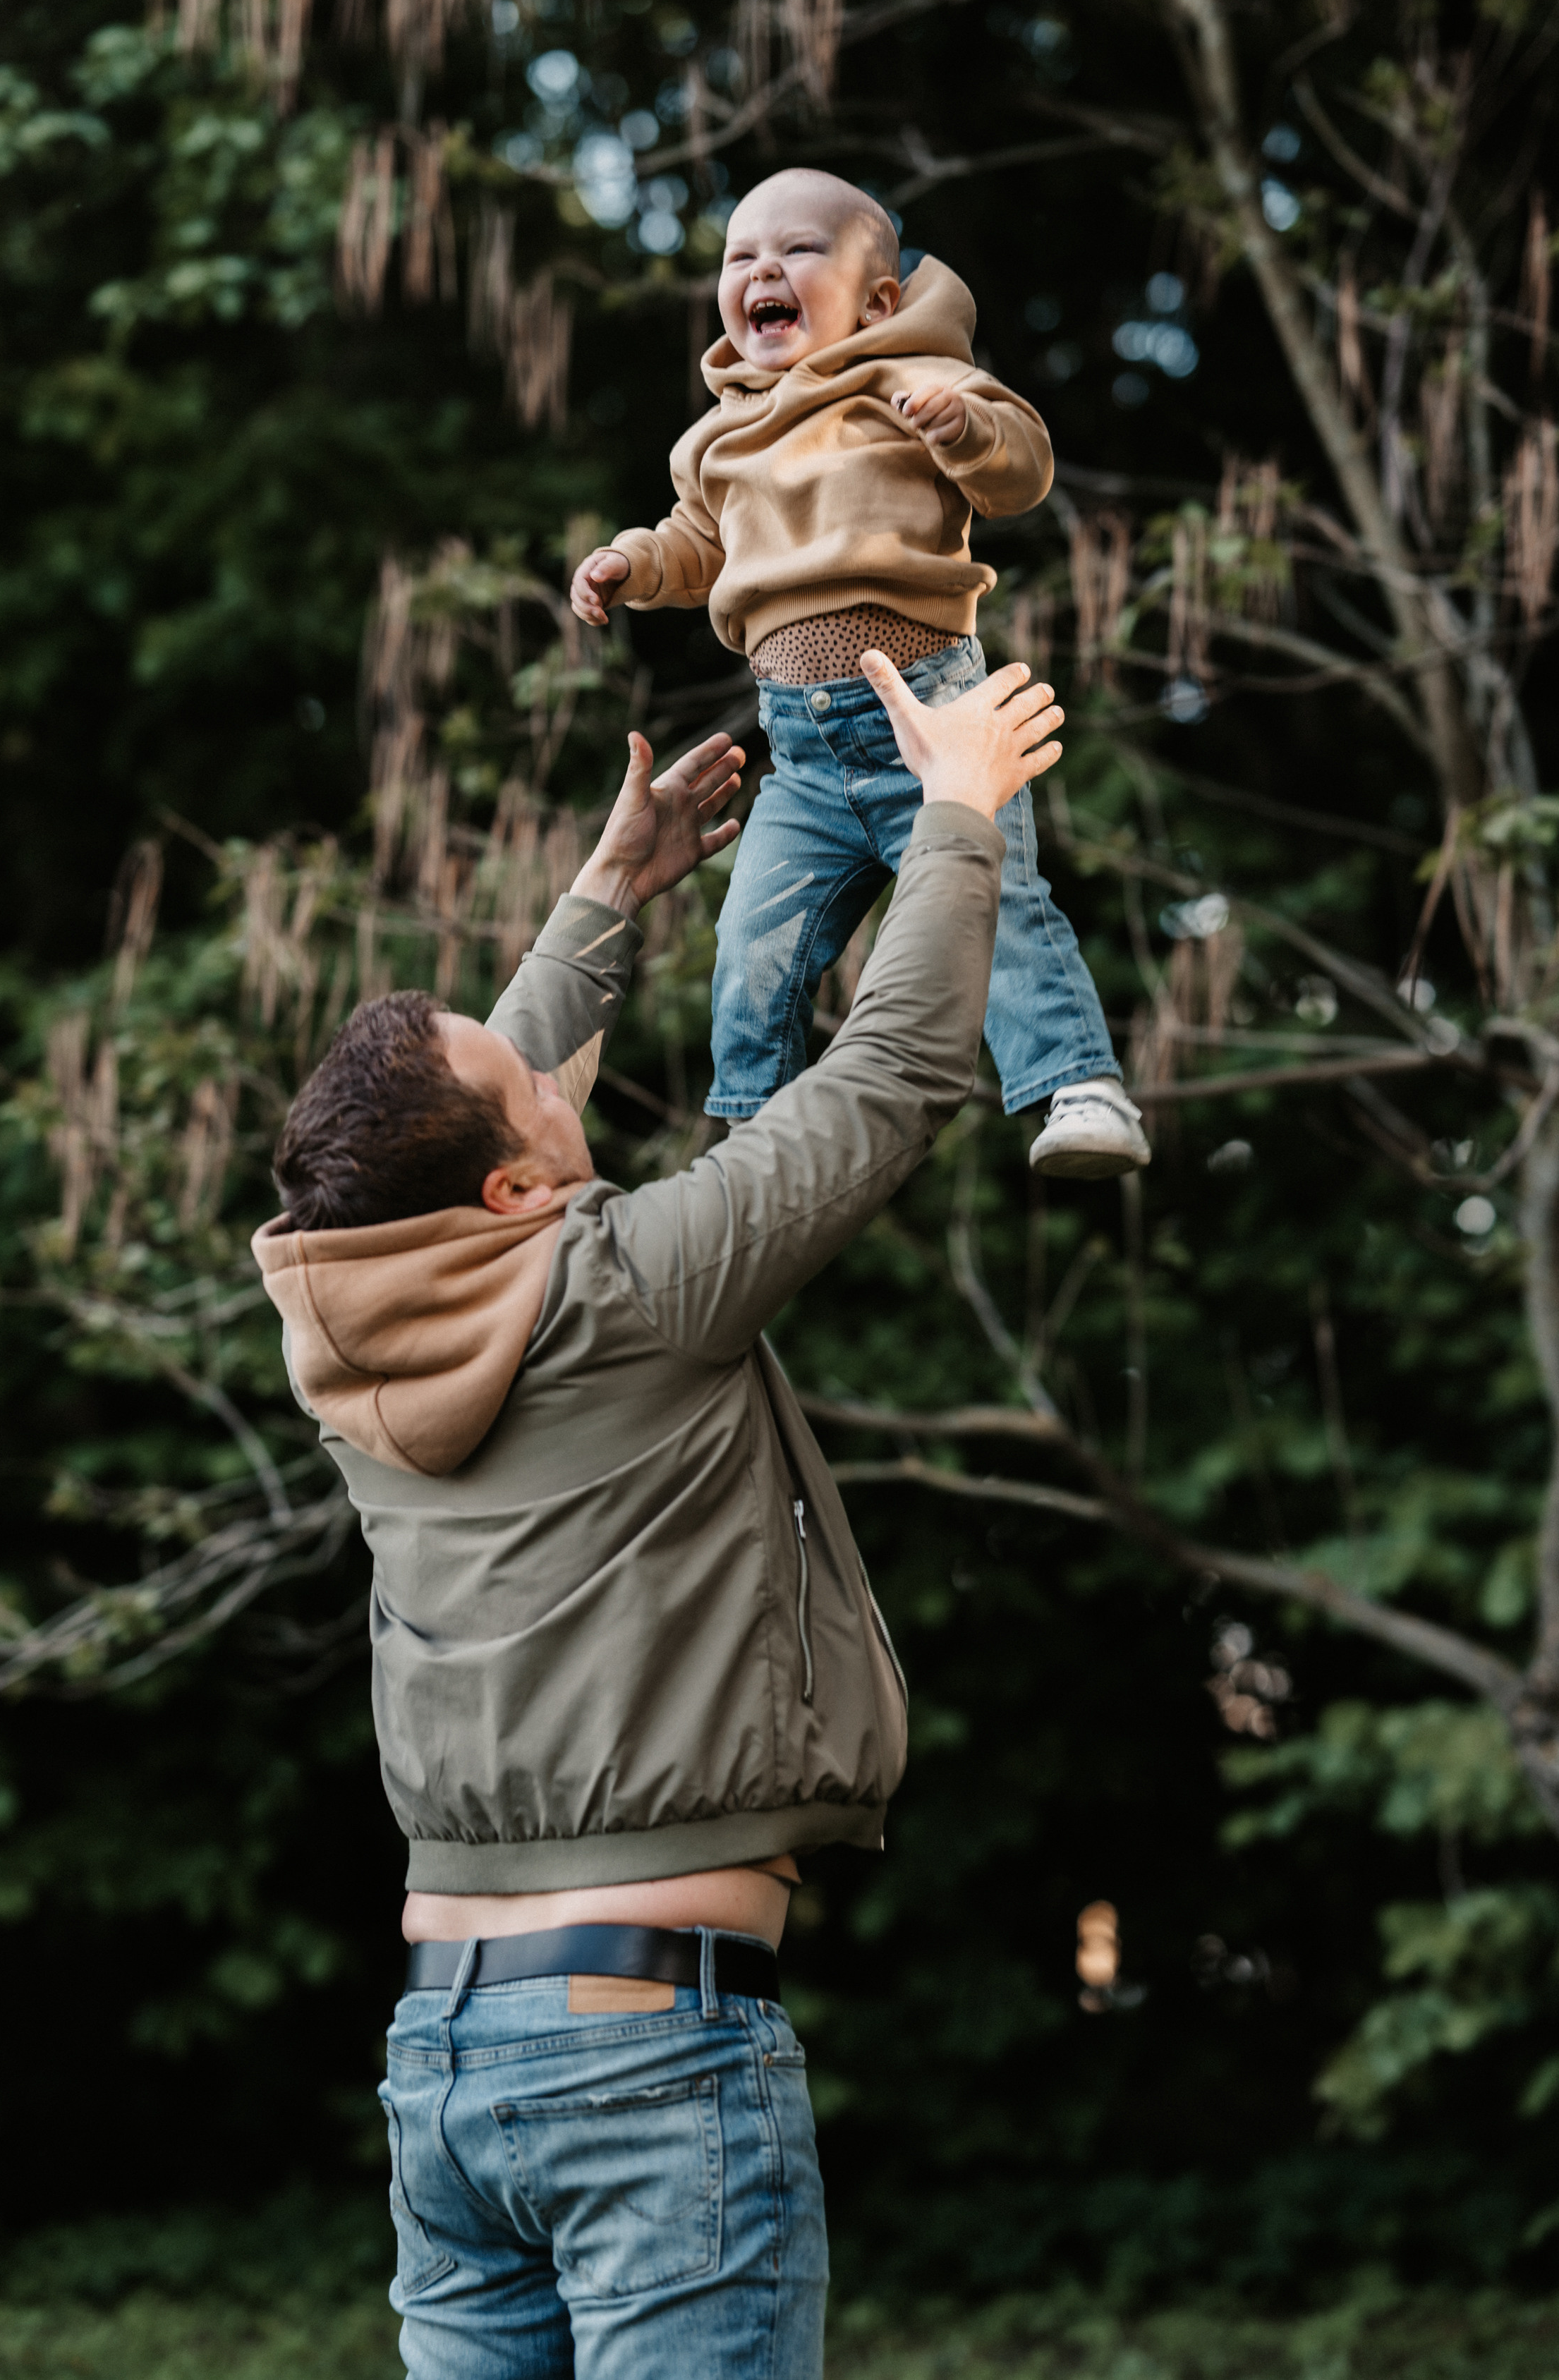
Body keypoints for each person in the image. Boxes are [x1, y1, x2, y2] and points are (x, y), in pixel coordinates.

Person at [252, 653, 1066, 2379]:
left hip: (443, 2061)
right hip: (646, 2052)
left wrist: (610, 892)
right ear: (514, 1187)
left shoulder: (352, 1346)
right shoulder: (627, 1291)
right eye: (537, 1085)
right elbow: (892, 1072)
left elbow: (459, 1139)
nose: (564, 1076)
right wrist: (957, 811)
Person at [571, 165, 1147, 1181]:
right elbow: (696, 543)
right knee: (752, 943)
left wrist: (963, 429)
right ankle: (755, 1145)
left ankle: (1080, 1087)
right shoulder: (721, 436)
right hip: (800, 756)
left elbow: (1021, 466)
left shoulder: (913, 379)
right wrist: (632, 564)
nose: (762, 271)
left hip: (930, 720)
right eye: (740, 257)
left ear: (878, 300)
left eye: (797, 250)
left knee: (997, 903)